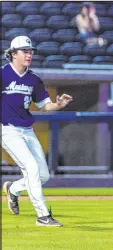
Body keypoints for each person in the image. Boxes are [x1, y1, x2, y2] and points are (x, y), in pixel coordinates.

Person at [2, 36, 73, 227]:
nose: (29, 54)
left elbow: (45, 105)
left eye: (31, 51)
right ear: (13, 54)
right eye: (25, 51)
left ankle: (13, 189)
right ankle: (43, 216)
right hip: (7, 130)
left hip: (27, 129)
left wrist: (58, 104)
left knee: (43, 175)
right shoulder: (3, 74)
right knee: (31, 168)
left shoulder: (34, 79)